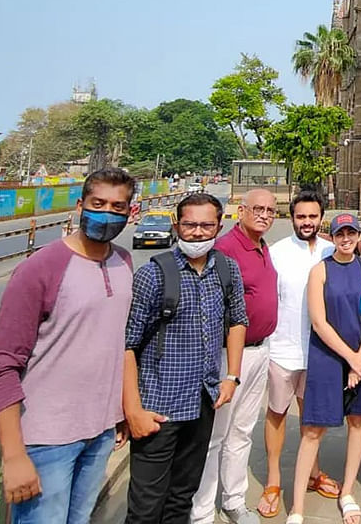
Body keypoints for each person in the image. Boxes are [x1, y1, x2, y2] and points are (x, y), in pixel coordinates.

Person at [0, 168, 136, 524]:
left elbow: (117, 344)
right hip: (46, 439)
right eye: (98, 204)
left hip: (99, 434)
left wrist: (120, 413)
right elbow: (1, 366)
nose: (107, 213)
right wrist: (14, 455)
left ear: (131, 212)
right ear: (80, 205)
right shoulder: (41, 269)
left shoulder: (123, 262)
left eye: (117, 206)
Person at [123, 192, 248, 524]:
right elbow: (128, 345)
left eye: (207, 225)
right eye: (190, 225)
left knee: (182, 497)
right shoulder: (153, 275)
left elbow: (237, 320)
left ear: (219, 227)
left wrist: (232, 376)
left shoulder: (226, 269)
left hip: (202, 402)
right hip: (158, 407)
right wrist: (132, 409)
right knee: (146, 506)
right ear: (177, 226)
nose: (198, 233)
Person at [191, 189, 280, 524]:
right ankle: (201, 512)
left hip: (260, 349)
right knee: (215, 436)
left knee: (242, 431)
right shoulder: (225, 249)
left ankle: (233, 499)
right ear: (241, 211)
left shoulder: (261, 246)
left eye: (271, 210)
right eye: (257, 209)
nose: (265, 215)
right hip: (230, 355)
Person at [288, 213, 361, 524]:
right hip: (328, 357)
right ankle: (297, 508)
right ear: (333, 236)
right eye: (340, 233)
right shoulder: (320, 270)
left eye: (351, 233)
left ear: (357, 234)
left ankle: (348, 492)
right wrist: (351, 358)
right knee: (313, 429)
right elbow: (319, 322)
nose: (346, 239)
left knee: (358, 422)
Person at [259, 187, 339, 519]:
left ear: (322, 218)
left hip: (318, 353)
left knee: (313, 417)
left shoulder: (331, 251)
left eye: (312, 216)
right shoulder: (276, 252)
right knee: (277, 414)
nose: (307, 222)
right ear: (291, 217)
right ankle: (274, 481)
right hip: (282, 349)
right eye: (300, 216)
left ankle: (313, 473)